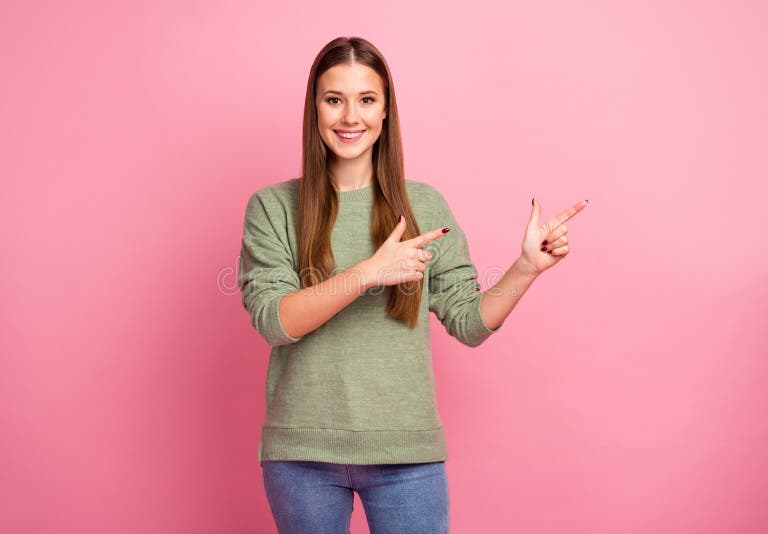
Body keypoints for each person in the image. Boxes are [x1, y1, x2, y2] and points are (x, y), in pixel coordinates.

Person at [237, 36, 588, 534]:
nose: (349, 116)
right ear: (314, 108)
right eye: (334, 99)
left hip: (407, 455)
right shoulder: (273, 207)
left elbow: (469, 323)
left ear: (385, 113)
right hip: (302, 456)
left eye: (366, 99)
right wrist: (368, 273)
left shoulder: (425, 205)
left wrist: (525, 268)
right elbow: (276, 321)